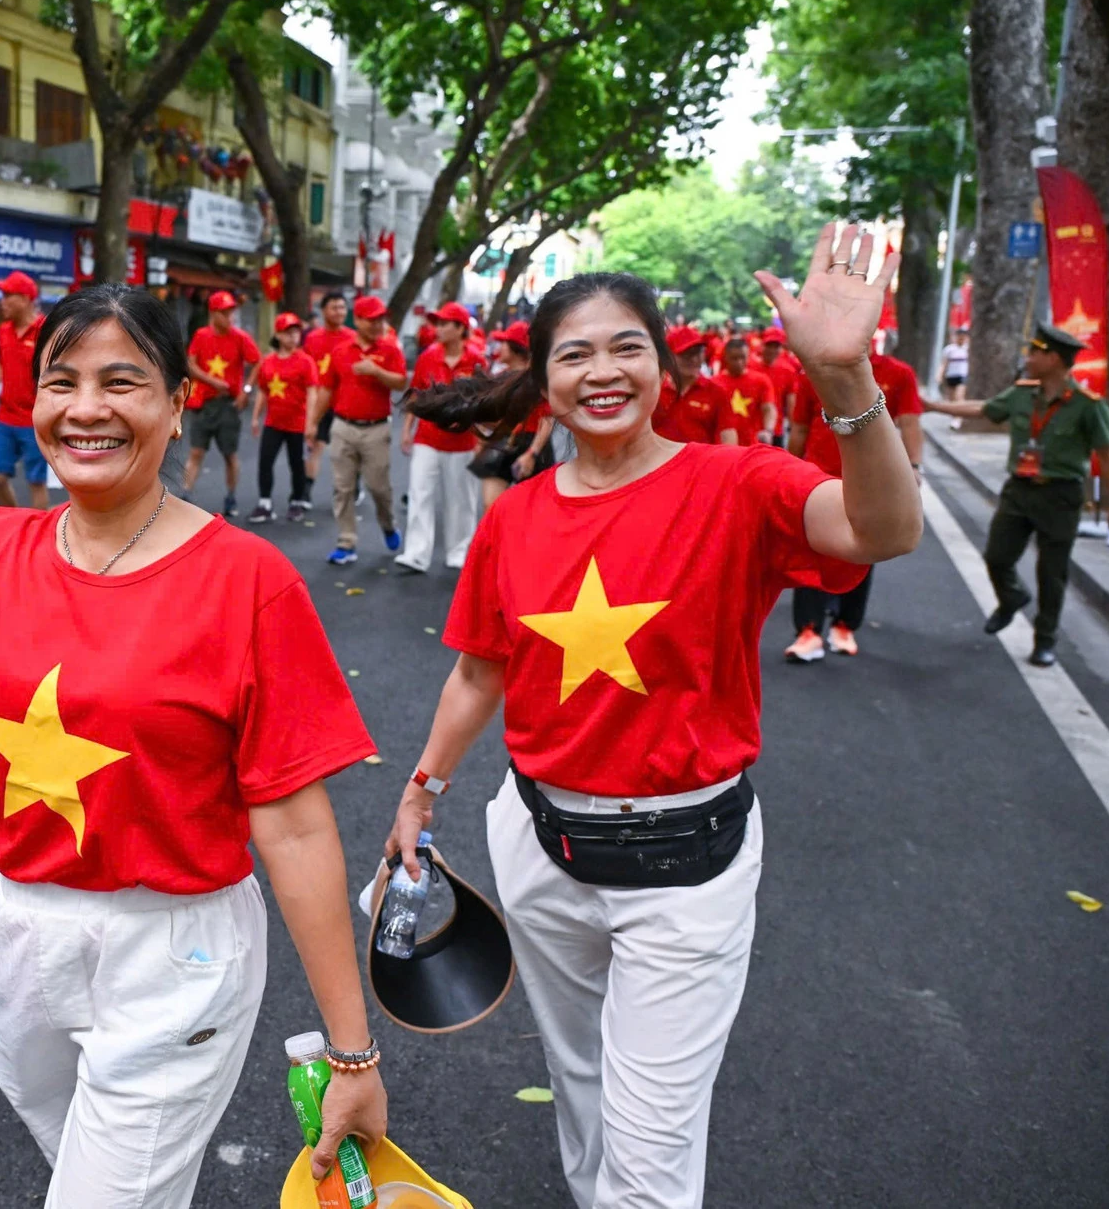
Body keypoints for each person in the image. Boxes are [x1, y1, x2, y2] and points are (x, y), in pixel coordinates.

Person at [0, 282, 389, 1206]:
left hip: (178, 954)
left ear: (176, 404)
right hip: (21, 935)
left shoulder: (249, 583)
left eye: (122, 382)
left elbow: (293, 828)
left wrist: (352, 1049)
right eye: (62, 381)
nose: (86, 409)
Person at [386, 224, 921, 1209]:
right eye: (574, 352)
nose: (602, 370)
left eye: (625, 346)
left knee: (650, 1143)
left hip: (689, 864)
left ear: (661, 366)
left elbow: (882, 529)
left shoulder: (739, 482)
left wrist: (842, 378)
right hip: (540, 842)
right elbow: (477, 670)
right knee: (583, 1081)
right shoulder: (515, 513)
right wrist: (419, 791)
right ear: (543, 378)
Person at [927, 322, 1109, 667]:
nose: (1029, 357)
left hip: (1061, 496)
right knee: (996, 556)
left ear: (1054, 359)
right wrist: (932, 407)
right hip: (1019, 490)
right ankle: (1012, 597)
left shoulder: (1088, 406)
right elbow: (983, 410)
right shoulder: (1021, 394)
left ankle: (1045, 640)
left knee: (1052, 573)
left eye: (1036, 352)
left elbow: (1107, 457)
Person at [782, 349, 923, 662]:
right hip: (817, 479)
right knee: (811, 552)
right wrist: (789, 470)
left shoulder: (898, 374)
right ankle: (809, 629)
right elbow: (800, 428)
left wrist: (914, 465)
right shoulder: (812, 373)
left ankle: (846, 624)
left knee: (862, 552)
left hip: (870, 482)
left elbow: (909, 423)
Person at [309, 294, 407, 565]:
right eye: (372, 319)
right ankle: (346, 542)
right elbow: (327, 389)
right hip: (343, 426)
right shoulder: (341, 350)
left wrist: (376, 371)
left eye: (380, 319)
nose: (378, 324)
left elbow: (400, 383)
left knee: (379, 487)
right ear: (359, 320)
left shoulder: (390, 349)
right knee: (342, 487)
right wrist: (313, 422)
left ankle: (388, 525)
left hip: (376, 429)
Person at [397, 302, 482, 574]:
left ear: (460, 328)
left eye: (445, 324)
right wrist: (407, 429)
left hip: (463, 441)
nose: (439, 329)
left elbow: (484, 402)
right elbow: (417, 395)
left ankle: (458, 552)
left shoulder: (477, 360)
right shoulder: (427, 357)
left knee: (461, 500)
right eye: (438, 323)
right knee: (420, 493)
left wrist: (482, 438)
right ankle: (416, 553)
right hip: (428, 437)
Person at [181, 290, 261, 517]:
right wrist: (211, 381)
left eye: (232, 312)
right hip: (204, 404)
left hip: (229, 405)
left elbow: (257, 362)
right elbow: (190, 364)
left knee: (229, 454)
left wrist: (246, 390)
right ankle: (185, 494)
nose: (230, 317)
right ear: (213, 313)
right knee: (196, 451)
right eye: (225, 313)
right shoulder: (202, 335)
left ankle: (231, 496)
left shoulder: (240, 337)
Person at [467, 322, 556, 514]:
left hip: (531, 442)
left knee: (532, 511)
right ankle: (500, 543)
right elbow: (489, 416)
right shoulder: (498, 377)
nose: (499, 348)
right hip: (501, 441)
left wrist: (532, 453)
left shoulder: (538, 380)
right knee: (491, 507)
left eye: (504, 343)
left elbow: (547, 419)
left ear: (516, 348)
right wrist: (481, 440)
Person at [0, 271, 52, 510]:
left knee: (36, 482)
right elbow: (1, 362)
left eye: (7, 295)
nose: (2, 301)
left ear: (25, 298)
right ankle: (18, 521)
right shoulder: (4, 330)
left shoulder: (46, 330)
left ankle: (39, 537)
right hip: (5, 417)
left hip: (35, 419)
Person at [249, 312, 321, 523]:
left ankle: (297, 501)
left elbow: (312, 393)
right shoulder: (268, 361)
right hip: (273, 421)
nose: (293, 337)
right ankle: (265, 503)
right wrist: (255, 417)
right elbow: (263, 390)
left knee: (296, 464)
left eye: (296, 332)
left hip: (297, 423)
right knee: (265, 461)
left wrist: (310, 422)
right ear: (278, 335)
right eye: (288, 333)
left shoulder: (305, 361)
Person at [650, 327, 736, 444]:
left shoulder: (716, 392)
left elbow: (728, 436)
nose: (695, 359)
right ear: (669, 357)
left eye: (699, 352)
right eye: (687, 354)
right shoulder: (654, 390)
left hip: (702, 460)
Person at [304, 291, 352, 481]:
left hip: (345, 405)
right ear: (323, 311)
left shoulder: (353, 338)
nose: (338, 312)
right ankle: (305, 492)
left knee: (347, 452)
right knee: (315, 446)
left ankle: (352, 487)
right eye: (334, 307)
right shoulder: (312, 338)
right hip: (320, 403)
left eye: (342, 307)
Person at [716, 338, 779, 447]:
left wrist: (768, 430)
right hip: (724, 446)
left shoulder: (761, 381)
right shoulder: (715, 384)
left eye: (743, 357)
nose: (739, 362)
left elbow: (769, 408)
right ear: (726, 357)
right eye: (734, 358)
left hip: (753, 444)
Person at [756, 325, 802, 446]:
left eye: (776, 346)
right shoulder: (750, 368)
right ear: (762, 345)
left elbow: (791, 403)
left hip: (775, 429)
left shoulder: (788, 371)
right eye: (769, 345)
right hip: (752, 430)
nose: (772, 350)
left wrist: (793, 429)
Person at [938, 329, 970, 429]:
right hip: (951, 375)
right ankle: (954, 417)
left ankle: (958, 419)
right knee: (952, 399)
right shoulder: (949, 349)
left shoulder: (968, 349)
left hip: (963, 376)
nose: (961, 338)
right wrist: (939, 374)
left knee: (959, 397)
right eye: (959, 336)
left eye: (963, 336)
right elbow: (944, 363)